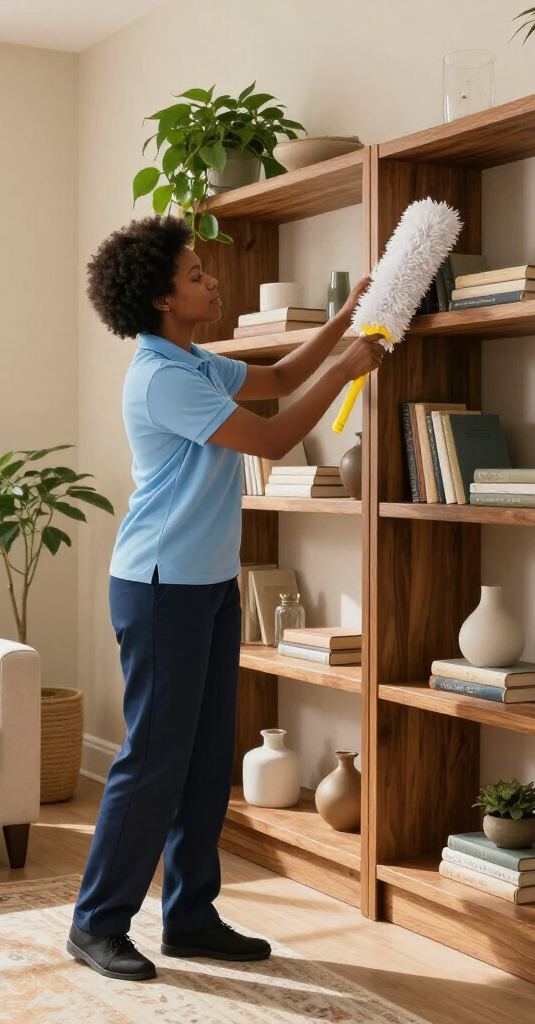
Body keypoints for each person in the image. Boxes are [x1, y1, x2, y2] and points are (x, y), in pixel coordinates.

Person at [68, 215, 385, 981]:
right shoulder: (162, 378)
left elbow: (275, 380)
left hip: (207, 585)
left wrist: (343, 322)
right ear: (160, 300)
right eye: (196, 276)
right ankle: (98, 923)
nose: (212, 282)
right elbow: (273, 442)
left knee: (209, 761)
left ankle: (192, 917)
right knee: (153, 762)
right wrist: (345, 371)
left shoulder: (197, 362)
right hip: (158, 590)